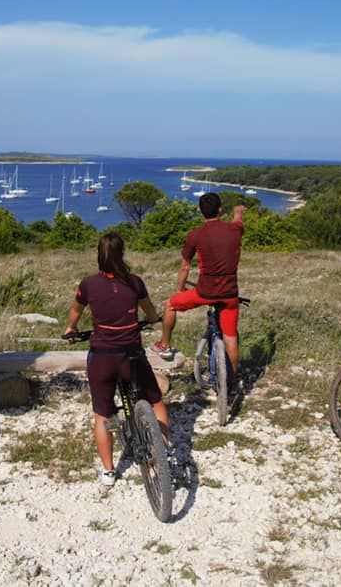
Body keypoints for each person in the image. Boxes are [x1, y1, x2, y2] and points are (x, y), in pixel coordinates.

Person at [63, 232, 169, 487]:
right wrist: (153, 320)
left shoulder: (88, 284)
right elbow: (150, 312)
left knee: (103, 414)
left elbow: (76, 311)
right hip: (131, 354)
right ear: (122, 254)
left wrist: (70, 329)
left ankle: (109, 472)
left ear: (99, 255)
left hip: (102, 357)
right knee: (155, 400)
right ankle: (166, 450)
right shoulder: (135, 282)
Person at [151, 193, 246, 389]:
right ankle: (233, 382)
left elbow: (185, 267)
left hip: (204, 293)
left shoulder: (195, 235)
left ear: (200, 211)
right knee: (230, 338)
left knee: (170, 305)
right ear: (220, 209)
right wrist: (238, 212)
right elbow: (238, 221)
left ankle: (164, 345)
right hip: (230, 295)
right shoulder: (235, 230)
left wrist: (180, 289)